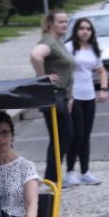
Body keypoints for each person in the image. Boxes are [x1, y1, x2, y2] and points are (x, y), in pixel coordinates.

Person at [30, 10, 75, 188]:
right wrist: (43, 78)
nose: (64, 24)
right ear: (50, 24)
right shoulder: (48, 41)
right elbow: (35, 55)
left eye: (66, 21)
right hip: (54, 96)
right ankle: (53, 179)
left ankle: (53, 178)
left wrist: (69, 97)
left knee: (61, 137)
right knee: (62, 136)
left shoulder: (58, 42)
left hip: (61, 96)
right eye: (60, 21)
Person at [64, 17, 109, 186]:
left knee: (86, 135)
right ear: (76, 30)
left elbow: (101, 71)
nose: (85, 31)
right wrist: (67, 95)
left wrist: (103, 89)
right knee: (76, 135)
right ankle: (70, 172)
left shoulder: (93, 49)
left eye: (88, 29)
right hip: (73, 96)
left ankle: (85, 172)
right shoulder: (69, 48)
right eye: (82, 28)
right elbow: (62, 70)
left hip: (89, 96)